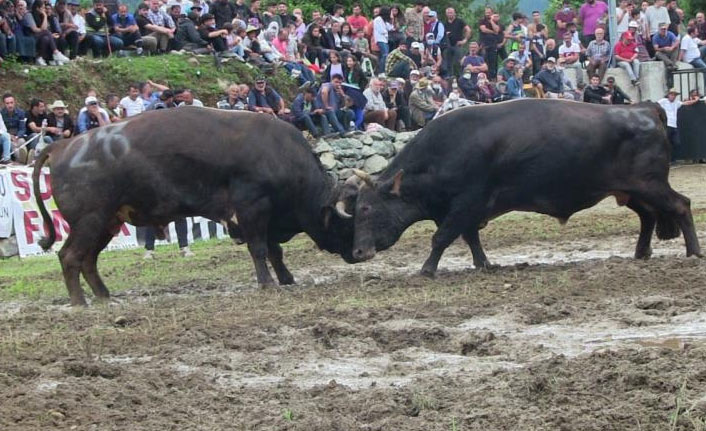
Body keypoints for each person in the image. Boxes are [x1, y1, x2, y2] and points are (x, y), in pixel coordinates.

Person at [22, 0, 70, 65]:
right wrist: (48, 33)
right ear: (37, 8)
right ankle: (56, 53)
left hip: (39, 36)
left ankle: (41, 58)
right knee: (47, 33)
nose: (44, 10)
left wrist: (44, 16)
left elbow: (44, 28)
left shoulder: (41, 15)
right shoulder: (29, 15)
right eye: (43, 8)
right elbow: (35, 30)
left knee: (46, 38)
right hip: (30, 36)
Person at [658, 88, 698, 161]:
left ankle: (669, 158)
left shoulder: (677, 103)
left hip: (674, 126)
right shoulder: (663, 101)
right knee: (666, 142)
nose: (673, 96)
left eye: (675, 95)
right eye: (672, 94)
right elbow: (656, 105)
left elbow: (686, 103)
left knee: (676, 143)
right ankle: (665, 159)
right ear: (669, 95)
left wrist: (695, 100)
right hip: (666, 125)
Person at [442, 7, 470, 78]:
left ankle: (461, 77)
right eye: (448, 13)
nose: (449, 14)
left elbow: (468, 30)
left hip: (457, 45)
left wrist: (465, 40)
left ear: (454, 13)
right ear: (446, 14)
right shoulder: (444, 23)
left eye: (451, 12)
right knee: (448, 62)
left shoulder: (459, 21)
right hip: (448, 45)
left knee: (459, 62)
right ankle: (450, 78)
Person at [1, 93, 27, 163]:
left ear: (15, 102)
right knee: (12, 144)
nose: (10, 105)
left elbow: (22, 128)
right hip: (7, 135)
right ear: (4, 104)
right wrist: (10, 136)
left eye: (11, 103)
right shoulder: (1, 113)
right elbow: (2, 129)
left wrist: (17, 136)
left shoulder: (21, 113)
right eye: (7, 103)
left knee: (22, 141)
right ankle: (22, 160)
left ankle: (24, 158)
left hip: (18, 135)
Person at [478, 9, 504, 81]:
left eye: (489, 13)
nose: (487, 14)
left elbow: (497, 30)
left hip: (493, 45)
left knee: (493, 62)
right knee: (484, 61)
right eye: (486, 12)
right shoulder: (482, 21)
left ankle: (493, 78)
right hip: (484, 44)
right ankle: (484, 77)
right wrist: (492, 31)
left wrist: (492, 21)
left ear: (492, 13)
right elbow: (483, 29)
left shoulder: (496, 23)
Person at [652, 22, 679, 86]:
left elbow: (677, 41)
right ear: (659, 29)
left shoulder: (670, 34)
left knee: (676, 48)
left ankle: (671, 66)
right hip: (662, 52)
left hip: (670, 51)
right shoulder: (655, 37)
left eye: (665, 29)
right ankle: (672, 64)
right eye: (662, 29)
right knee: (657, 53)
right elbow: (656, 48)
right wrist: (663, 49)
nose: (664, 30)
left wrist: (671, 47)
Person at [373, 6, 392, 73]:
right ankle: (381, 71)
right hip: (380, 39)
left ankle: (383, 70)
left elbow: (390, 28)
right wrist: (386, 33)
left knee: (385, 55)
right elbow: (382, 30)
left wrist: (392, 19)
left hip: (385, 40)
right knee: (385, 55)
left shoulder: (384, 20)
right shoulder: (378, 19)